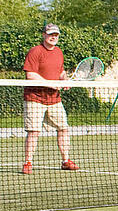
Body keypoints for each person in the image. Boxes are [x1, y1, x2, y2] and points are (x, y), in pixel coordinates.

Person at [22, 23, 78, 174]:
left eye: (56, 35)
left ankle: (66, 161)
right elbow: (30, 75)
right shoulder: (35, 51)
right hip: (34, 98)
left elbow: (61, 71)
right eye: (51, 34)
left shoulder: (59, 52)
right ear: (44, 35)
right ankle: (28, 162)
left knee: (63, 128)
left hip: (54, 100)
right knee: (33, 131)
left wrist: (64, 80)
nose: (54, 37)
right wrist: (50, 84)